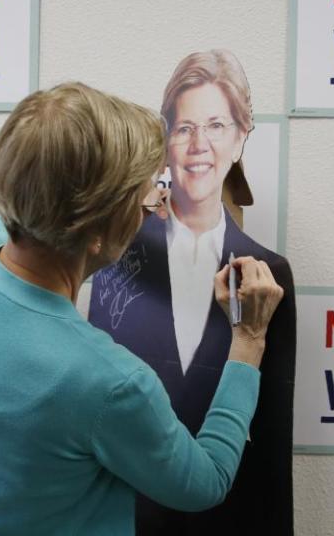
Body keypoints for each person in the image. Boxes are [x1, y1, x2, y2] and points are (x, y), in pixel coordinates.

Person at [0, 82, 285, 535]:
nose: (157, 207)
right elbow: (204, 482)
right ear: (93, 230)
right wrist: (249, 338)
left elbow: (38, 198)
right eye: (146, 201)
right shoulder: (107, 383)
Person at [88, 50, 297, 535]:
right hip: (126, 519)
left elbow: (270, 442)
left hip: (227, 519)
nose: (199, 144)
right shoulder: (112, 261)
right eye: (184, 128)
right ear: (164, 139)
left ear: (242, 136)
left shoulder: (271, 278)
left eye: (217, 126)